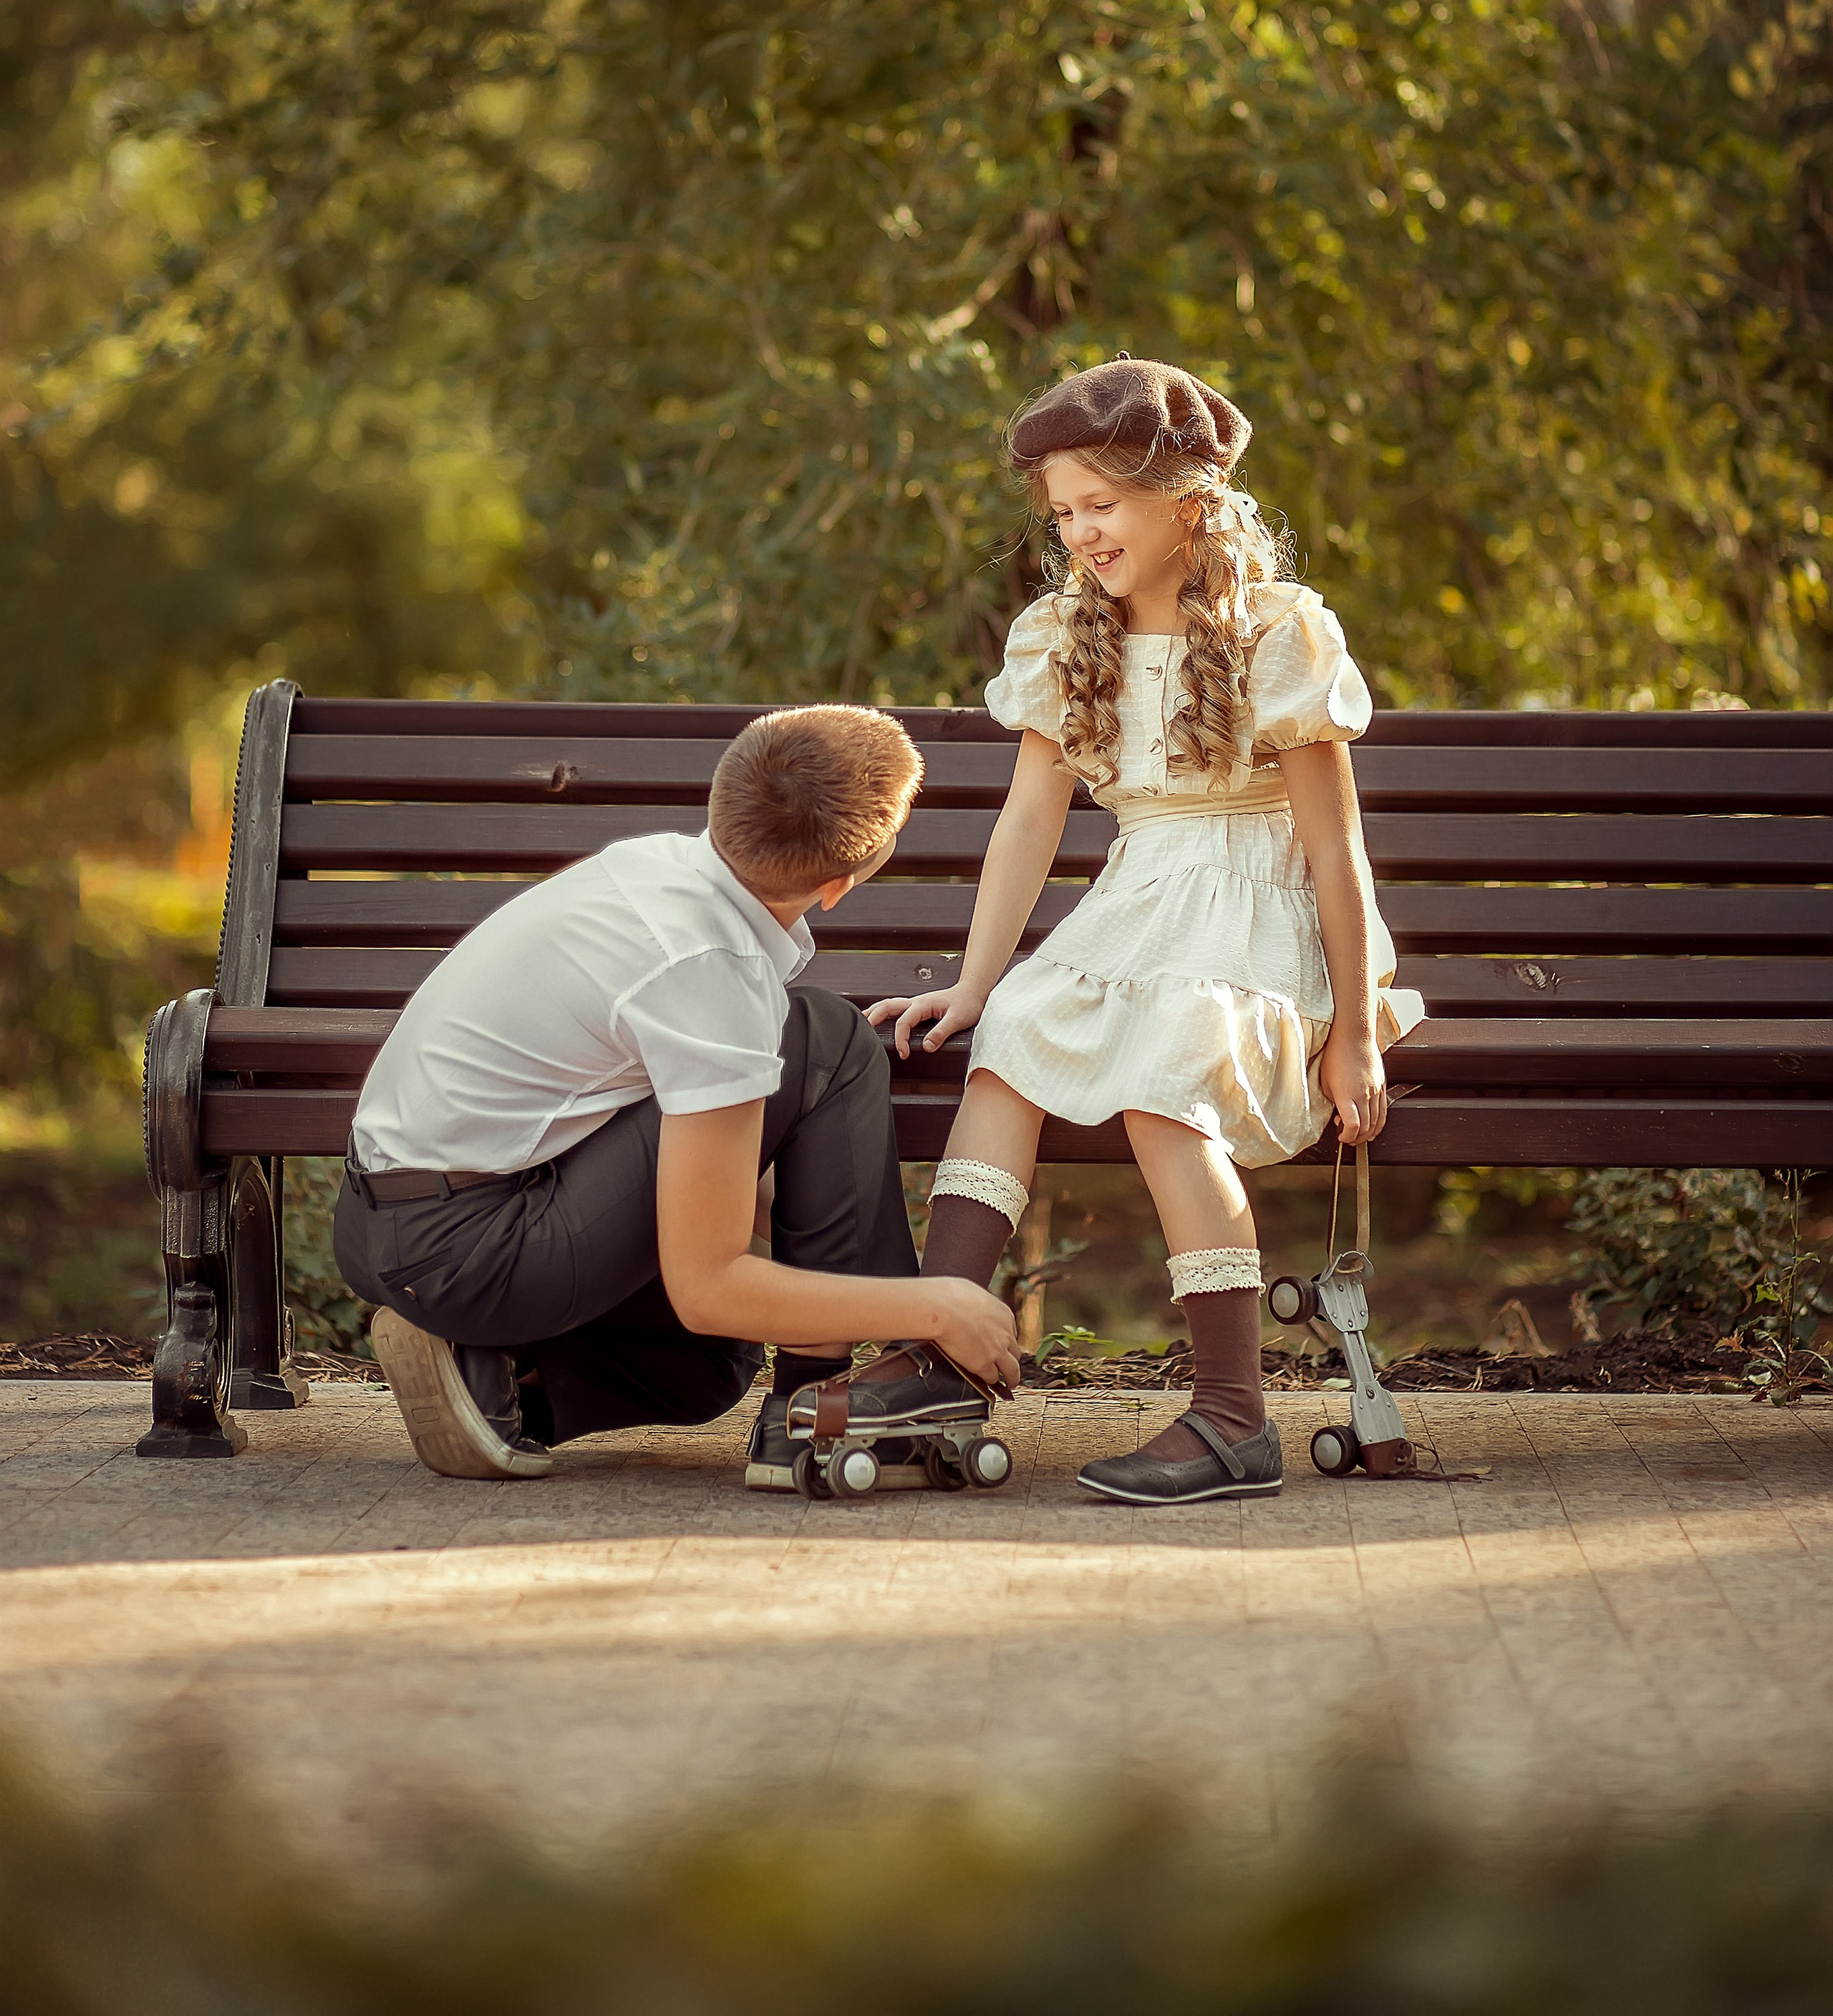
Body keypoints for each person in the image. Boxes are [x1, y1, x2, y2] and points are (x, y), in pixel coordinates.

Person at [860, 355, 1424, 1506]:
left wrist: (1357, 1026)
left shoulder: (1278, 630)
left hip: (1262, 918)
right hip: (1139, 903)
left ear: (1184, 498)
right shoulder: (1067, 632)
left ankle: (1232, 1415)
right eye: (1062, 513)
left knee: (1171, 1068)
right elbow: (1029, 822)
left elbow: (1334, 848)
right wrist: (974, 986)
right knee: (1010, 1041)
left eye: (1101, 506)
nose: (1079, 534)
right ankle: (938, 1357)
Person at [334, 704, 1022, 1484]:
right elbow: (706, 1285)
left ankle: (500, 1382)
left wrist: (834, 1236)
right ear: (838, 885)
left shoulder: (654, 869)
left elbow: (702, 1200)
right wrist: (932, 1308)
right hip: (469, 1242)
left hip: (384, 1220)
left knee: (711, 1361)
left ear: (720, 803)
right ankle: (818, 1410)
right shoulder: (711, 971)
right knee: (828, 1041)